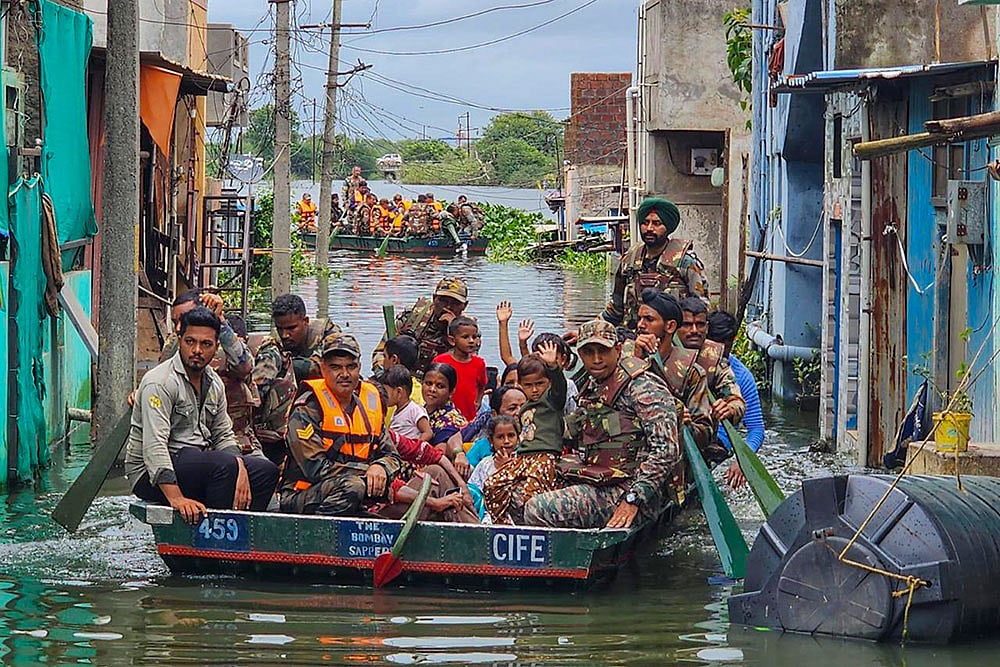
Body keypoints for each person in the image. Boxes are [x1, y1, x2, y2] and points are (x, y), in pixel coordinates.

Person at [523, 319, 682, 529]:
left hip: (634, 490)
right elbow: (572, 430)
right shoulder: (593, 386)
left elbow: (666, 451)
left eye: (603, 351)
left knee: (537, 508)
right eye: (589, 352)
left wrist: (634, 497)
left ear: (617, 349)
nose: (596, 359)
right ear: (580, 355)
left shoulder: (643, 388)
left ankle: (565, 559)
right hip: (599, 478)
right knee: (518, 496)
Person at [126, 307, 279, 523]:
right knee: (221, 466)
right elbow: (154, 447)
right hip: (150, 474)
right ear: (180, 340)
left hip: (195, 463)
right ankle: (215, 540)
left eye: (205, 344)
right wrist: (177, 498)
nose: (197, 350)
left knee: (265, 471)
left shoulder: (214, 382)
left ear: (216, 347)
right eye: (190, 342)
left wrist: (241, 467)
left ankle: (242, 532)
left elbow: (223, 434)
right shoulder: (159, 382)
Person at [279, 333, 402, 516]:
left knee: (383, 490)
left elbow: (392, 456)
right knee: (354, 486)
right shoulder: (307, 409)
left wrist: (381, 468)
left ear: (359, 367)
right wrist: (368, 472)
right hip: (303, 494)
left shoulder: (370, 406)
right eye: (335, 367)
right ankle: (319, 534)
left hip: (354, 491)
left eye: (351, 367)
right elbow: (316, 468)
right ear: (323, 369)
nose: (344, 374)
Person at [159, 289, 261, 456]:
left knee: (263, 470)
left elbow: (245, 367)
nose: (178, 327)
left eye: (183, 319)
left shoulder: (227, 340)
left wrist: (219, 320)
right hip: (186, 437)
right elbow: (161, 376)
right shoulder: (174, 342)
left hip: (233, 435)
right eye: (175, 321)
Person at [483, 341, 566, 524]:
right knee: (492, 484)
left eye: (540, 384)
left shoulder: (552, 401)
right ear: (520, 384)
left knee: (530, 496)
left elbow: (560, 388)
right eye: (528, 385)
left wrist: (553, 367)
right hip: (522, 458)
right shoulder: (524, 408)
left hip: (545, 457)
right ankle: (502, 525)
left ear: (548, 382)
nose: (535, 389)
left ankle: (533, 532)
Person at [600, 197, 710, 332]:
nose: (650, 228)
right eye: (645, 223)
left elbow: (702, 309)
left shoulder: (685, 263)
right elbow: (615, 310)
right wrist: (591, 329)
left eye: (657, 223)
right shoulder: (630, 261)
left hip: (672, 343)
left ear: (667, 228)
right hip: (634, 340)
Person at [253, 295, 341, 462]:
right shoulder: (274, 343)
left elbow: (320, 369)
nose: (285, 335)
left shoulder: (328, 333)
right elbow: (264, 372)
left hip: (326, 400)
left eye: (291, 328)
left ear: (305, 321)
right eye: (280, 329)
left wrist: (288, 363)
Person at [630, 288, 715, 453]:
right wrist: (636, 361)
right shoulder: (622, 358)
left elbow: (705, 434)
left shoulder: (692, 372)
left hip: (670, 458)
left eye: (649, 319)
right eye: (639, 319)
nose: (640, 325)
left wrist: (686, 424)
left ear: (670, 326)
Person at [706, 310, 766, 489]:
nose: (720, 353)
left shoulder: (742, 376)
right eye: (716, 346)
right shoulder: (685, 366)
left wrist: (742, 459)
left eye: (727, 346)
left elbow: (756, 429)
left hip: (718, 448)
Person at [371, 276, 470, 377]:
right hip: (403, 379)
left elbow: (468, 365)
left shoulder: (468, 330)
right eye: (443, 301)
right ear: (434, 299)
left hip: (441, 384)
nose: (448, 307)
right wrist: (383, 375)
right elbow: (381, 352)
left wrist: (453, 330)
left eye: (455, 303)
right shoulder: (412, 317)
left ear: (464, 306)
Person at [678, 297, 747, 438]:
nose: (694, 330)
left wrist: (730, 409)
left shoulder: (715, 360)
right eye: (687, 325)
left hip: (701, 438)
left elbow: (736, 399)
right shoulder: (662, 351)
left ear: (707, 327)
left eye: (700, 325)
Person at [421, 362, 473, 476]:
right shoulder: (419, 410)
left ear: (451, 392)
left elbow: (439, 455)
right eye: (428, 383)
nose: (432, 389)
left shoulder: (450, 420)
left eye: (440, 386)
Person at [433, 316, 487, 422]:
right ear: (452, 340)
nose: (471, 341)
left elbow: (482, 385)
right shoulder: (440, 361)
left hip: (469, 416)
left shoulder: (479, 363)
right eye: (465, 337)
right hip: (444, 416)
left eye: (474, 337)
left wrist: (478, 401)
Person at [468, 415, 518, 521]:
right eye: (500, 437)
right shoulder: (485, 465)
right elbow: (474, 492)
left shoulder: (522, 462)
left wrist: (505, 469)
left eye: (511, 435)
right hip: (487, 513)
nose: (506, 441)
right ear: (491, 440)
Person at [384, 366, 432, 442]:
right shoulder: (395, 412)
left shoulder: (414, 410)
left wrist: (415, 447)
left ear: (399, 392)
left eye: (386, 392)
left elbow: (428, 432)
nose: (383, 396)